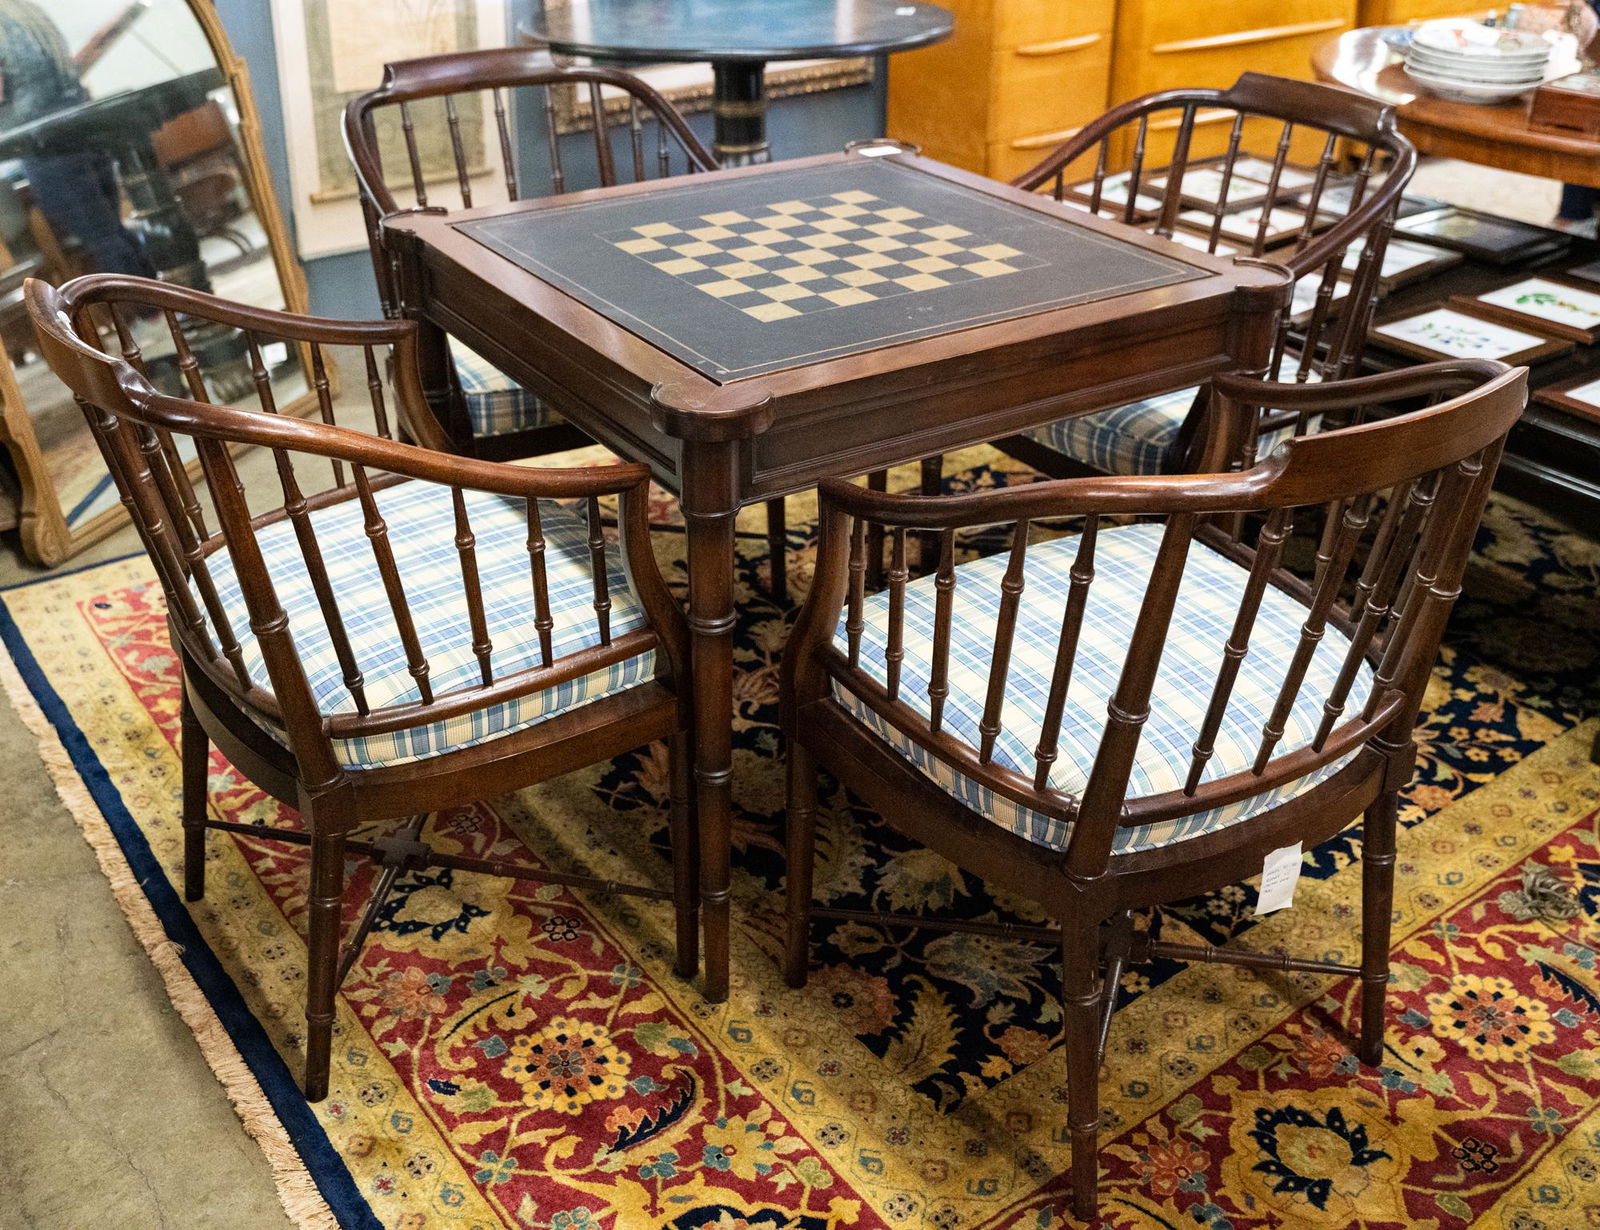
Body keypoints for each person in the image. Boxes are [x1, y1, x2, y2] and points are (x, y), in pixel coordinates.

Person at [0, 0, 156, 277]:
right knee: (112, 231)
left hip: (45, 142)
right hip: (81, 123)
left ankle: (151, 314)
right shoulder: (22, 9)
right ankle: (164, 307)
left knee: (103, 239)